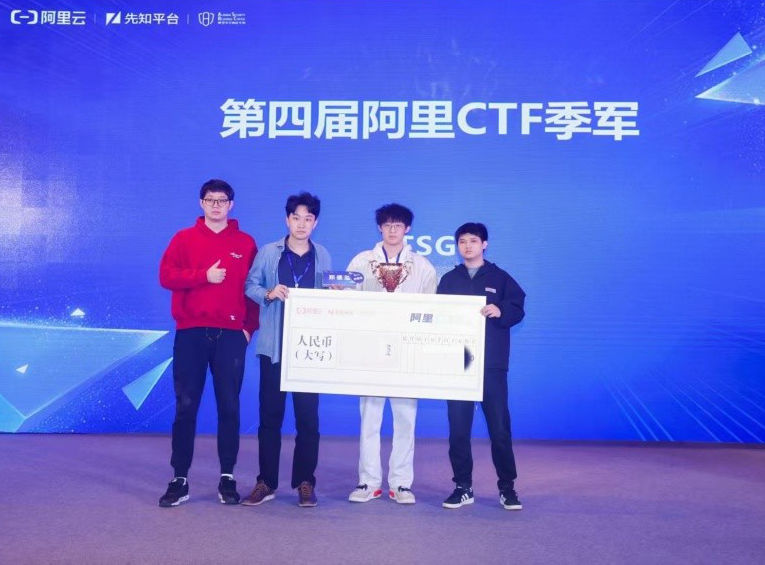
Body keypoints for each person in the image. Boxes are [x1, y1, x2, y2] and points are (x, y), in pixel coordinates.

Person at [158, 179, 258, 507]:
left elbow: (254, 289)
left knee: (229, 407)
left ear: (231, 205)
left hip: (230, 335)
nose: (216, 205)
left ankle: (227, 476)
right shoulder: (183, 239)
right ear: (201, 203)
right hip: (191, 333)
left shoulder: (245, 243)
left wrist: (248, 329)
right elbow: (166, 276)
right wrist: (203, 275)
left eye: (222, 200)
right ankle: (179, 478)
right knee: (186, 407)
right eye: (210, 200)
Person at [241, 192, 331, 508]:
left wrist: (334, 294)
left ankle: (305, 482)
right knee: (270, 418)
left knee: (308, 421)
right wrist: (269, 292)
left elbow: (327, 297)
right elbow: (249, 286)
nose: (302, 224)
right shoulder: (269, 252)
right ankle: (266, 482)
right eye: (296, 218)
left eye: (308, 218)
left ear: (315, 222)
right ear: (287, 220)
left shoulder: (322, 255)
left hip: (308, 350)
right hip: (274, 348)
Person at [346, 203, 437, 505]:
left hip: (407, 352)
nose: (393, 230)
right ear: (380, 227)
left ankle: (401, 484)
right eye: (387, 225)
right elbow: (348, 302)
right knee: (369, 418)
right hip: (370, 350)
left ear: (407, 228)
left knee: (405, 419)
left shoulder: (422, 266)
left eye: (398, 225)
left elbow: (432, 309)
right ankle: (368, 482)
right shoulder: (362, 261)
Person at [437, 222, 525, 510]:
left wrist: (501, 310)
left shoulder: (500, 278)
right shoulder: (449, 280)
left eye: (473, 241)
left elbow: (518, 307)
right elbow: (436, 317)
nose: (468, 246)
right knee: (458, 430)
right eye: (462, 241)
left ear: (484, 244)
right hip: (458, 364)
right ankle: (463, 486)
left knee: (499, 429)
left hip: (491, 365)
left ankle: (507, 488)